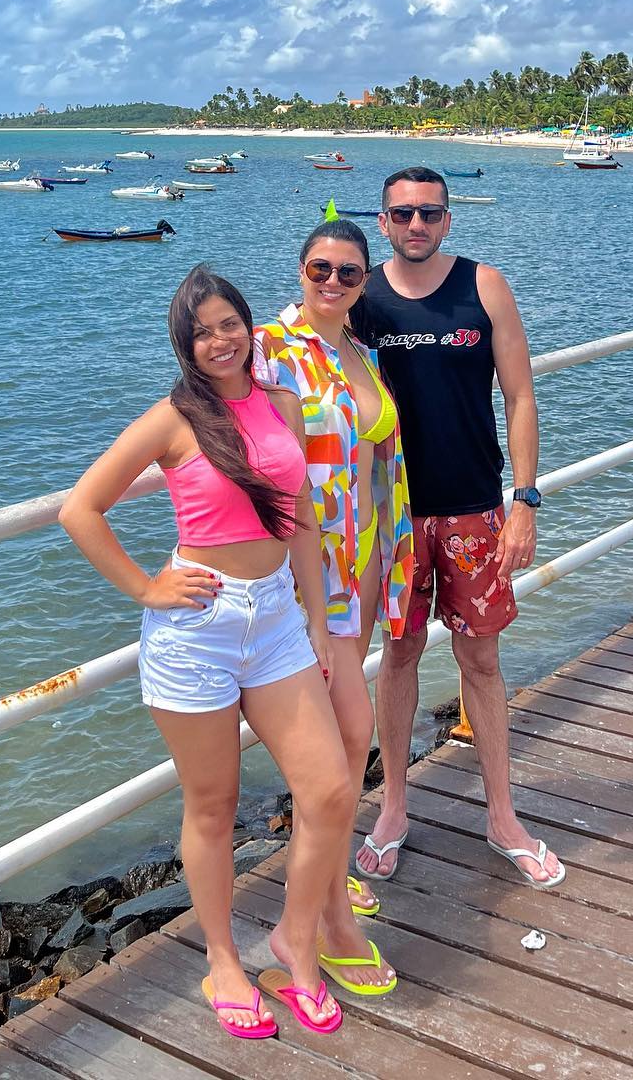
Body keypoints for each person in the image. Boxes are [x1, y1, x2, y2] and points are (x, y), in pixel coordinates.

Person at [58, 264, 352, 1041]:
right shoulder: (172, 419)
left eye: (229, 323)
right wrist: (145, 589)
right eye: (201, 331)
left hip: (281, 622)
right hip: (199, 628)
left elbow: (303, 522)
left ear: (250, 326)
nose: (219, 340)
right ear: (183, 344)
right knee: (213, 805)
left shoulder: (282, 403)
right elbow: (80, 509)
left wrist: (318, 623)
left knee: (328, 792)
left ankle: (295, 942)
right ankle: (223, 957)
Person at [354, 167, 565, 891]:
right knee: (400, 657)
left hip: (477, 508)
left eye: (430, 213)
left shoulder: (485, 286)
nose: (417, 225)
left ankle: (503, 815)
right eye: (403, 214)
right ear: (382, 222)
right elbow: (302, 367)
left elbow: (521, 393)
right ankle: (394, 809)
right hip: (395, 515)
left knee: (481, 663)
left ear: (447, 220)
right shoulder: (363, 297)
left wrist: (526, 498)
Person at [255, 218, 414, 998]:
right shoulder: (269, 348)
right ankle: (315, 924)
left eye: (350, 273)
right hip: (298, 584)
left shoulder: (361, 353)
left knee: (351, 747)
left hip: (359, 576)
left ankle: (318, 888)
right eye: (321, 267)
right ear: (300, 267)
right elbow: (208, 420)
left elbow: (375, 469)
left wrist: (389, 562)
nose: (334, 282)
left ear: (363, 283)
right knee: (341, 746)